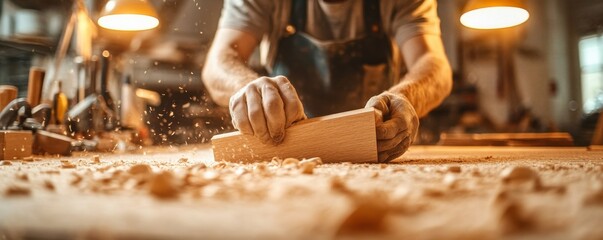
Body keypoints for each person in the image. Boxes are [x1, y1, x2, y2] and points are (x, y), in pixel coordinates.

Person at [202, 0, 452, 162]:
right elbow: (220, 60)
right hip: (288, 152)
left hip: (377, 149)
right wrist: (245, 87)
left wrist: (405, 96)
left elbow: (433, 63)